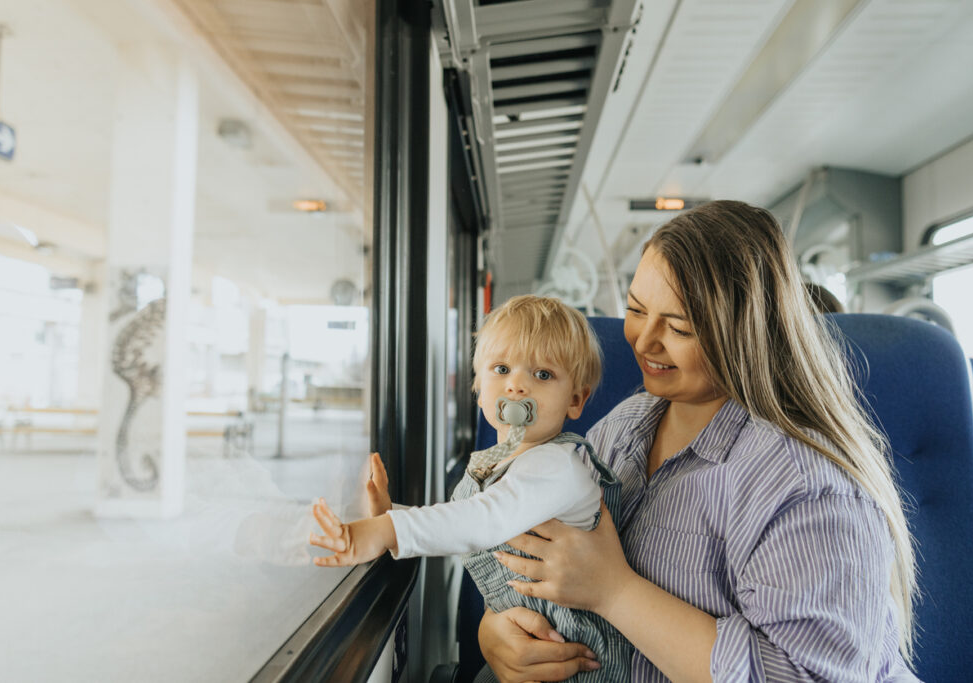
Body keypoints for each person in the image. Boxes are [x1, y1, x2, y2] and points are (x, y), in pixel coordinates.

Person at [478, 200, 919, 682]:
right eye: (635, 309)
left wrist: (616, 592)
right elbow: (546, 558)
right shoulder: (626, 426)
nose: (644, 341)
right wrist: (498, 632)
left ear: (742, 335)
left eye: (679, 327)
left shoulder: (808, 485)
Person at [309, 295, 630, 681]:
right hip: (535, 645)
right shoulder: (503, 461)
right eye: (501, 369)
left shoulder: (556, 465)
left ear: (576, 400)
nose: (517, 386)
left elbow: (482, 521)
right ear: (479, 387)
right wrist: (393, 514)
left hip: (574, 661)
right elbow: (468, 525)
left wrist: (385, 531)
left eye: (542, 375)